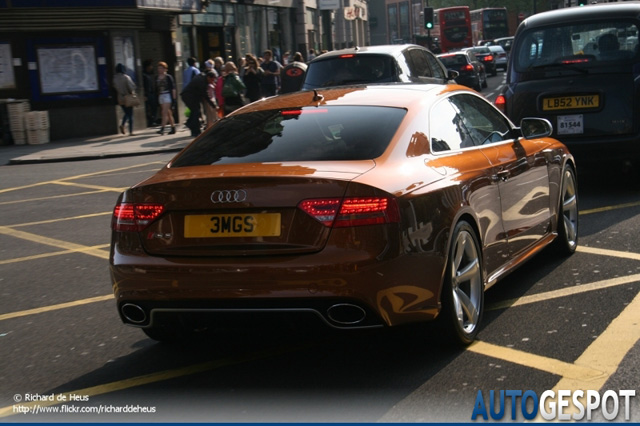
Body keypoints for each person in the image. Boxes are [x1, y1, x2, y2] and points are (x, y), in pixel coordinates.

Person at [181, 70, 218, 137]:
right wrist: (213, 105)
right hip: (189, 96)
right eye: (212, 80)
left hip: (188, 96)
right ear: (208, 77)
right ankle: (195, 130)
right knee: (196, 112)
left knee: (195, 112)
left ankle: (190, 125)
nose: (212, 82)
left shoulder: (202, 78)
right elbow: (205, 95)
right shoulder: (202, 82)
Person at [112, 63, 136, 136]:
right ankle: (131, 131)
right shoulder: (126, 77)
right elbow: (132, 87)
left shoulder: (114, 78)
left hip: (120, 98)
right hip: (128, 97)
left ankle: (122, 125)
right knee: (130, 114)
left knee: (126, 112)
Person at [156, 61, 177, 135]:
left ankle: (162, 128)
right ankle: (173, 127)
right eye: (159, 68)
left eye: (161, 68)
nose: (160, 70)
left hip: (167, 95)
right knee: (168, 113)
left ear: (165, 69)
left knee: (163, 112)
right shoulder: (157, 77)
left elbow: (173, 88)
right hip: (161, 95)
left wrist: (174, 99)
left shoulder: (168, 77)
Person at [142, 59, 158, 127]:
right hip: (147, 94)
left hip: (152, 93)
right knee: (148, 109)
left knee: (154, 107)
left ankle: (152, 120)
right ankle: (150, 120)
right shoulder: (144, 75)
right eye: (151, 65)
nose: (152, 67)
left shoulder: (150, 74)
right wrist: (145, 94)